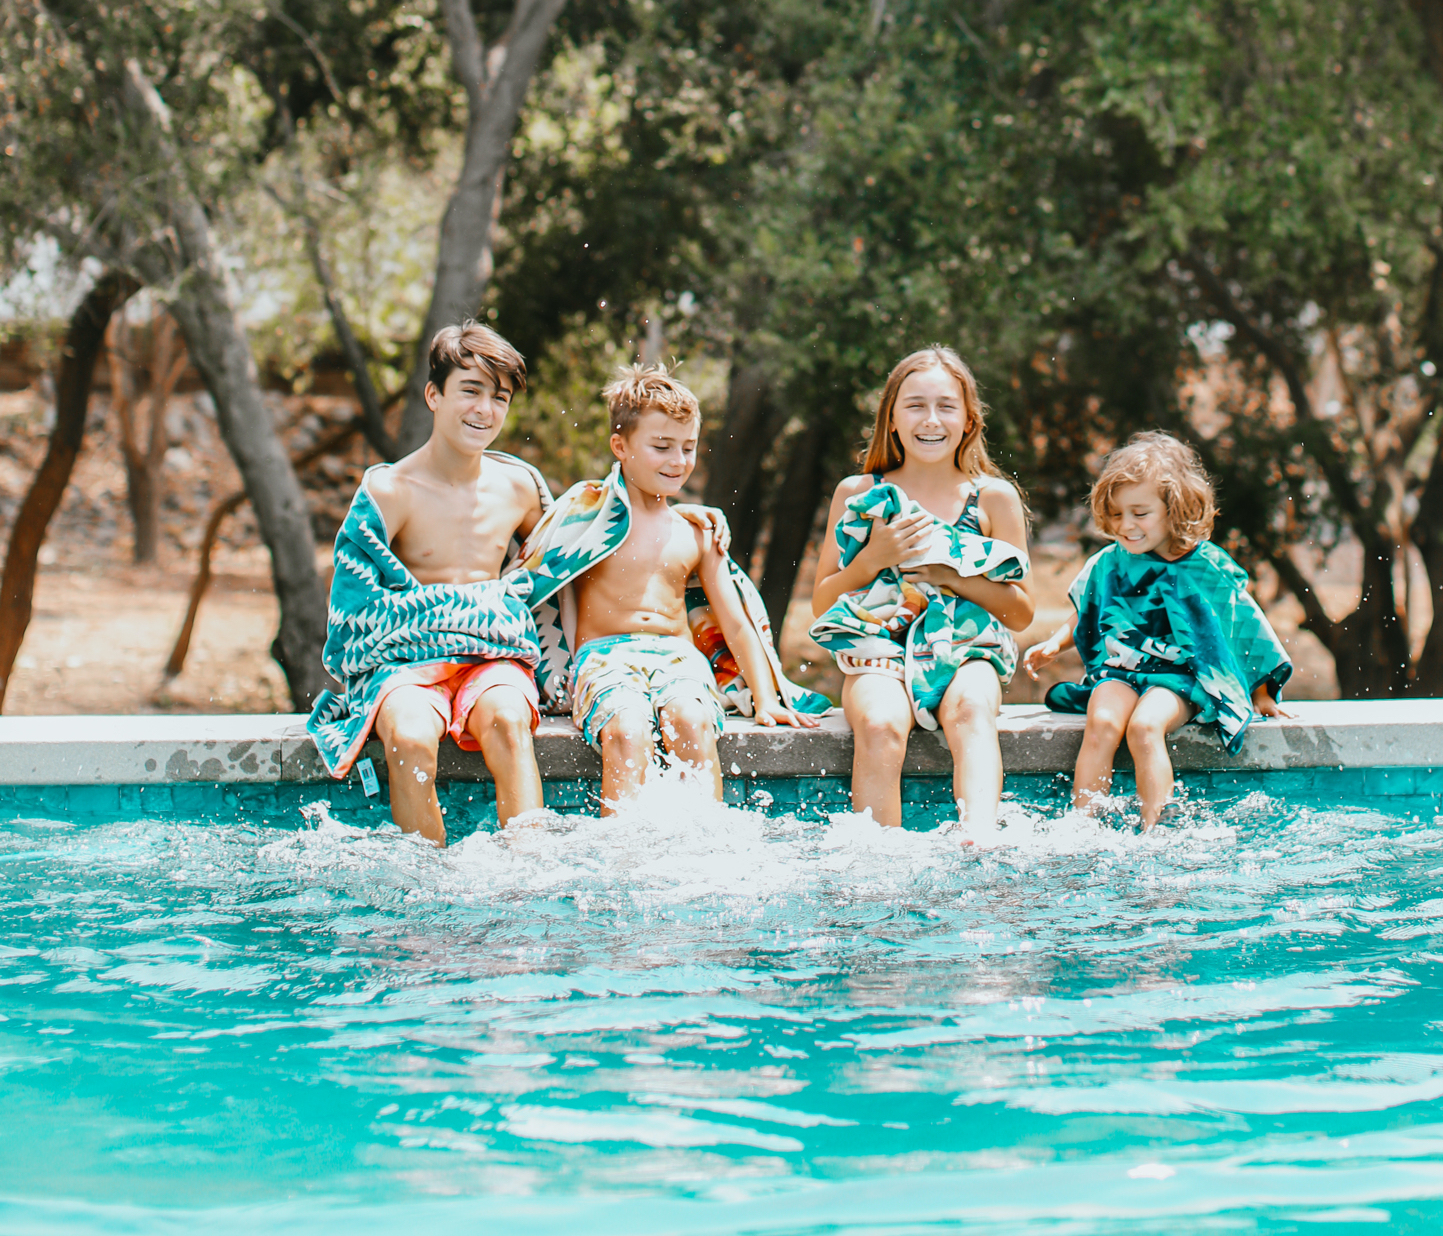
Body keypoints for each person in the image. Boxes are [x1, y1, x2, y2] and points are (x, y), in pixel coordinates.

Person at [531, 364, 822, 813]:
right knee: (627, 729)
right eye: (661, 447)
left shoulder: (697, 532)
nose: (678, 461)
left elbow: (735, 622)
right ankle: (622, 857)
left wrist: (766, 700)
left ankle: (705, 854)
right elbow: (539, 569)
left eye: (688, 448)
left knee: (689, 719)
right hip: (605, 655)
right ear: (620, 446)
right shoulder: (589, 518)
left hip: (677, 655)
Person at [307, 321, 553, 846]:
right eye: (470, 390)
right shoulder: (392, 488)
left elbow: (570, 559)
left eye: (499, 397)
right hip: (409, 660)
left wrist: (684, 516)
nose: (484, 410)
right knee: (410, 738)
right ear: (433, 395)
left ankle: (530, 874)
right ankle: (428, 892)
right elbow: (354, 597)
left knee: (509, 723)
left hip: (492, 655)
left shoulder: (519, 487)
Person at [809, 347, 1034, 832]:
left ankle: (979, 846)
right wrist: (873, 559)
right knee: (878, 723)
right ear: (891, 418)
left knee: (971, 709)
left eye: (946, 406)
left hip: (969, 651)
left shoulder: (992, 498)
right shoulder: (858, 494)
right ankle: (880, 868)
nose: (931, 419)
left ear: (969, 420)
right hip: (880, 651)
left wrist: (953, 576)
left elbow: (1021, 613)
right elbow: (822, 602)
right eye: (914, 405)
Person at [1022, 431, 1292, 831]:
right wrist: (1054, 644)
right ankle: (1082, 828)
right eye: (1116, 515)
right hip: (1122, 671)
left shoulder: (1206, 566)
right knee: (1102, 723)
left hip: (1180, 678)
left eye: (1139, 513)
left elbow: (1245, 628)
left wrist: (1262, 693)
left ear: (1174, 508)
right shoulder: (1110, 562)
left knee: (1145, 727)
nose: (1126, 525)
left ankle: (1155, 829)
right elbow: (1088, 611)